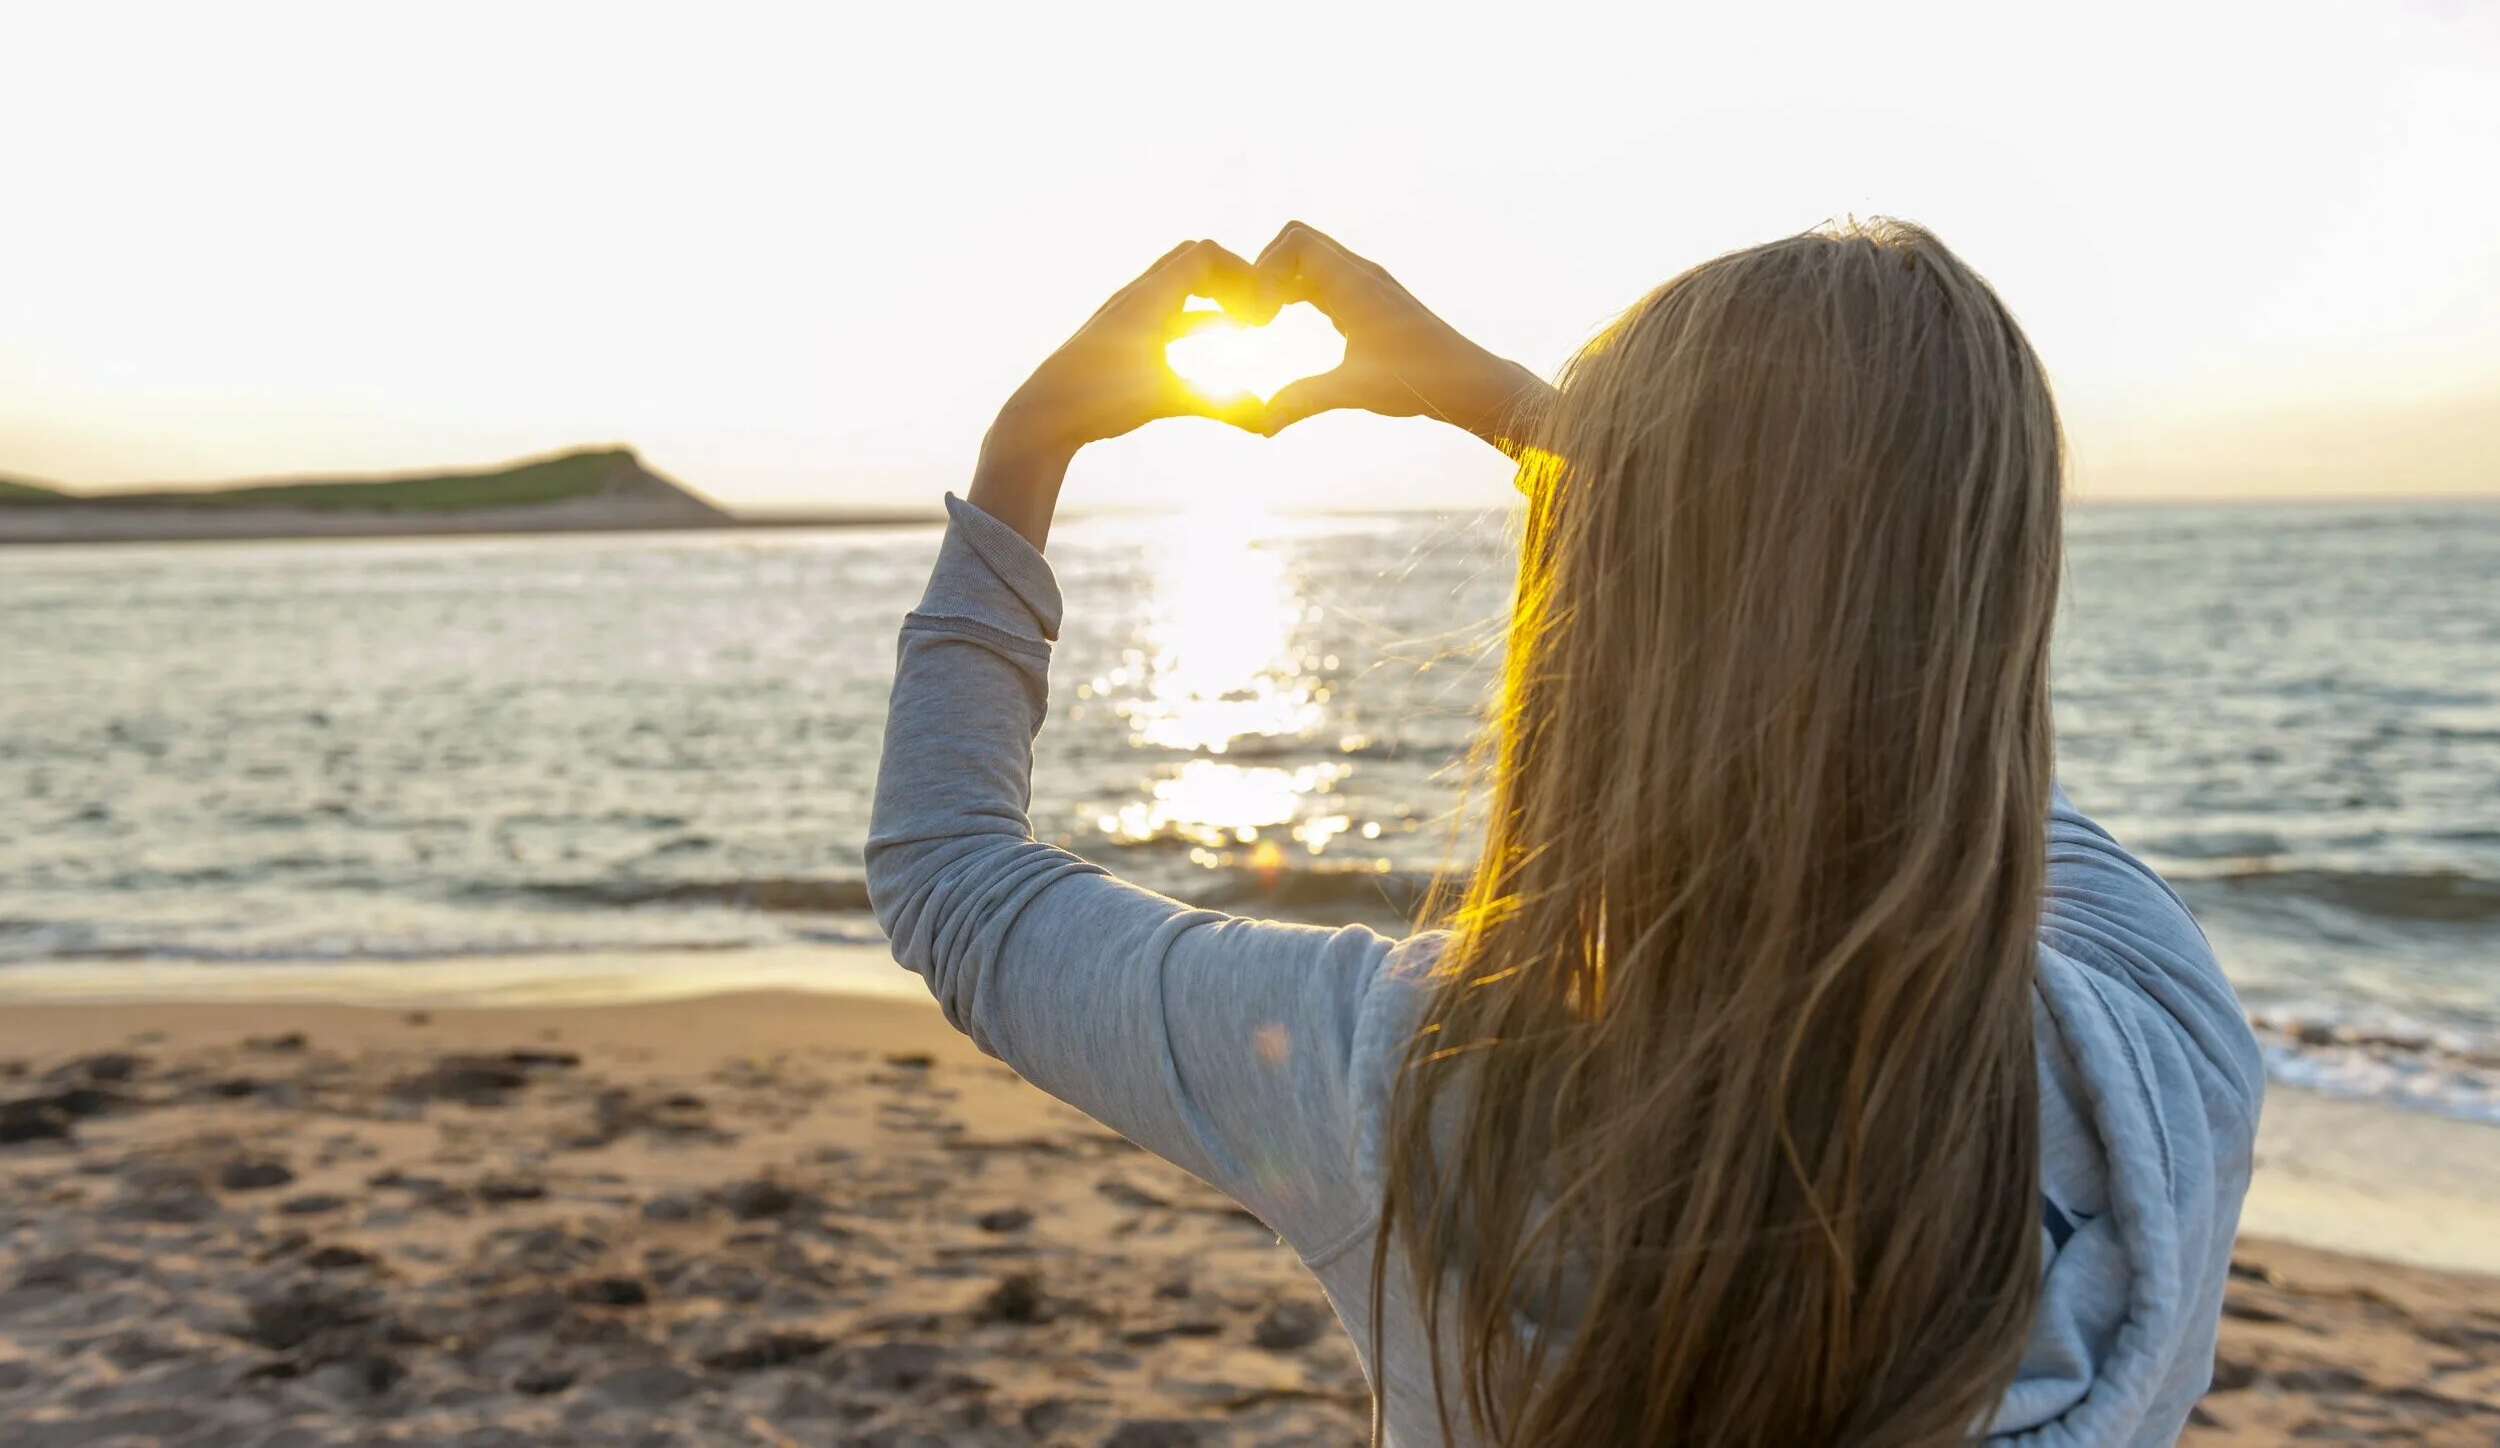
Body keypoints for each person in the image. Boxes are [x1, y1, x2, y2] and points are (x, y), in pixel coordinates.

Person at [867, 220, 2263, 1447]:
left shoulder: (1398, 1083)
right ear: (2005, 586)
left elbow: (952, 878)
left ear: (1594, 615)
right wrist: (1538, 423)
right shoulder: (2166, 1073)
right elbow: (1928, 738)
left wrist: (1030, 441)